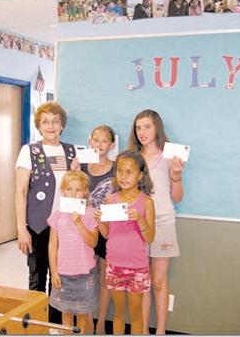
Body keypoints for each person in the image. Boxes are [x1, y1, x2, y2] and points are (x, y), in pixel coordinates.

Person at [15, 101, 77, 323]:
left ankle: (55, 323)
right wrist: (21, 229)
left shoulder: (71, 151)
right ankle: (35, 324)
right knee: (38, 276)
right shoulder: (29, 151)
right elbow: (20, 192)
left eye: (55, 121)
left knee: (59, 277)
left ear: (62, 125)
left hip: (65, 226)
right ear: (39, 126)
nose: (51, 126)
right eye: (45, 121)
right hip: (38, 224)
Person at [128, 110, 184, 334]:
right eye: (139, 127)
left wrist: (177, 175)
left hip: (163, 222)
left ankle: (160, 332)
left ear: (157, 128)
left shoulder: (170, 156)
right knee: (141, 284)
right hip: (135, 225)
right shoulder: (132, 158)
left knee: (158, 283)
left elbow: (178, 197)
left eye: (147, 127)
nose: (142, 132)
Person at [95, 150, 156, 334]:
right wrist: (100, 222)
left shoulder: (146, 202)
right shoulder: (110, 199)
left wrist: (140, 220)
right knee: (119, 313)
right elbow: (106, 234)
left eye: (129, 172)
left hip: (137, 267)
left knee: (136, 314)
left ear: (140, 175)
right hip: (114, 265)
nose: (123, 176)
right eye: (120, 171)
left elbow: (150, 238)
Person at [48, 170, 99, 334]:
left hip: (85, 274)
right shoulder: (58, 215)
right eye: (69, 189)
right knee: (66, 314)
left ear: (84, 192)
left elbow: (93, 242)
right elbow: (52, 245)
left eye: (77, 190)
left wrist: (79, 223)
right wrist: (54, 272)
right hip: (63, 273)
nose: (73, 193)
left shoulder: (90, 213)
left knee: (82, 315)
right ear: (63, 191)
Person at [80, 125, 116, 334]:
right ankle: (86, 322)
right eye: (95, 140)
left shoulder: (115, 168)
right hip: (84, 229)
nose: (99, 145)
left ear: (111, 144)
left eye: (104, 141)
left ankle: (100, 323)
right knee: (86, 277)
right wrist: (74, 172)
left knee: (104, 279)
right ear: (89, 141)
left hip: (108, 229)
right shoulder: (81, 166)